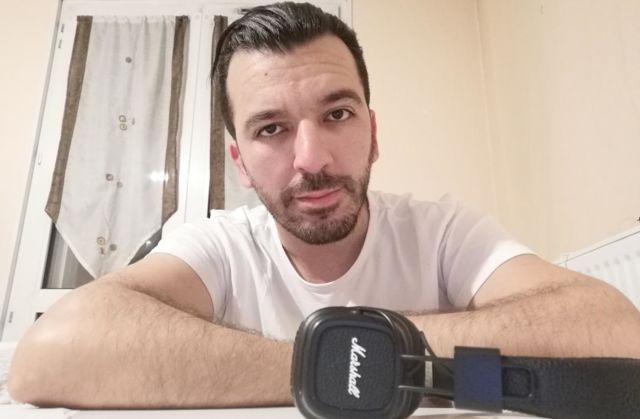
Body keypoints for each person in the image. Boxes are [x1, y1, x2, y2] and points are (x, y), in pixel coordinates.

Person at [9, 1, 640, 410]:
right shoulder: (220, 247)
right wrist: (339, 365)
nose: (311, 158)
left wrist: (339, 360)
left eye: (336, 114)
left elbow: (613, 328)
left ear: (373, 132)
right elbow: (46, 355)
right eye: (271, 129)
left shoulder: (442, 232)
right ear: (240, 163)